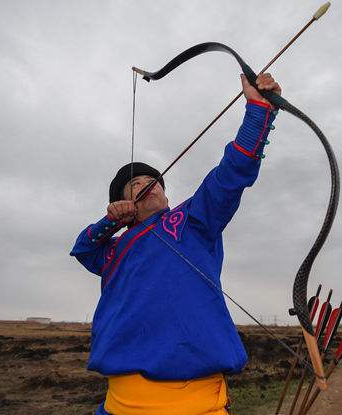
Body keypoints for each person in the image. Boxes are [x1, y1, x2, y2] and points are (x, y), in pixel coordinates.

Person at [70, 73, 281, 415]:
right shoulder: (113, 249)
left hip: (195, 405)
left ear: (165, 194)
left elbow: (230, 175)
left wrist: (258, 110)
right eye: (133, 185)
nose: (146, 184)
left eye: (152, 180)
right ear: (124, 204)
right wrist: (110, 222)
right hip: (118, 404)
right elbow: (83, 249)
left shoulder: (191, 220)